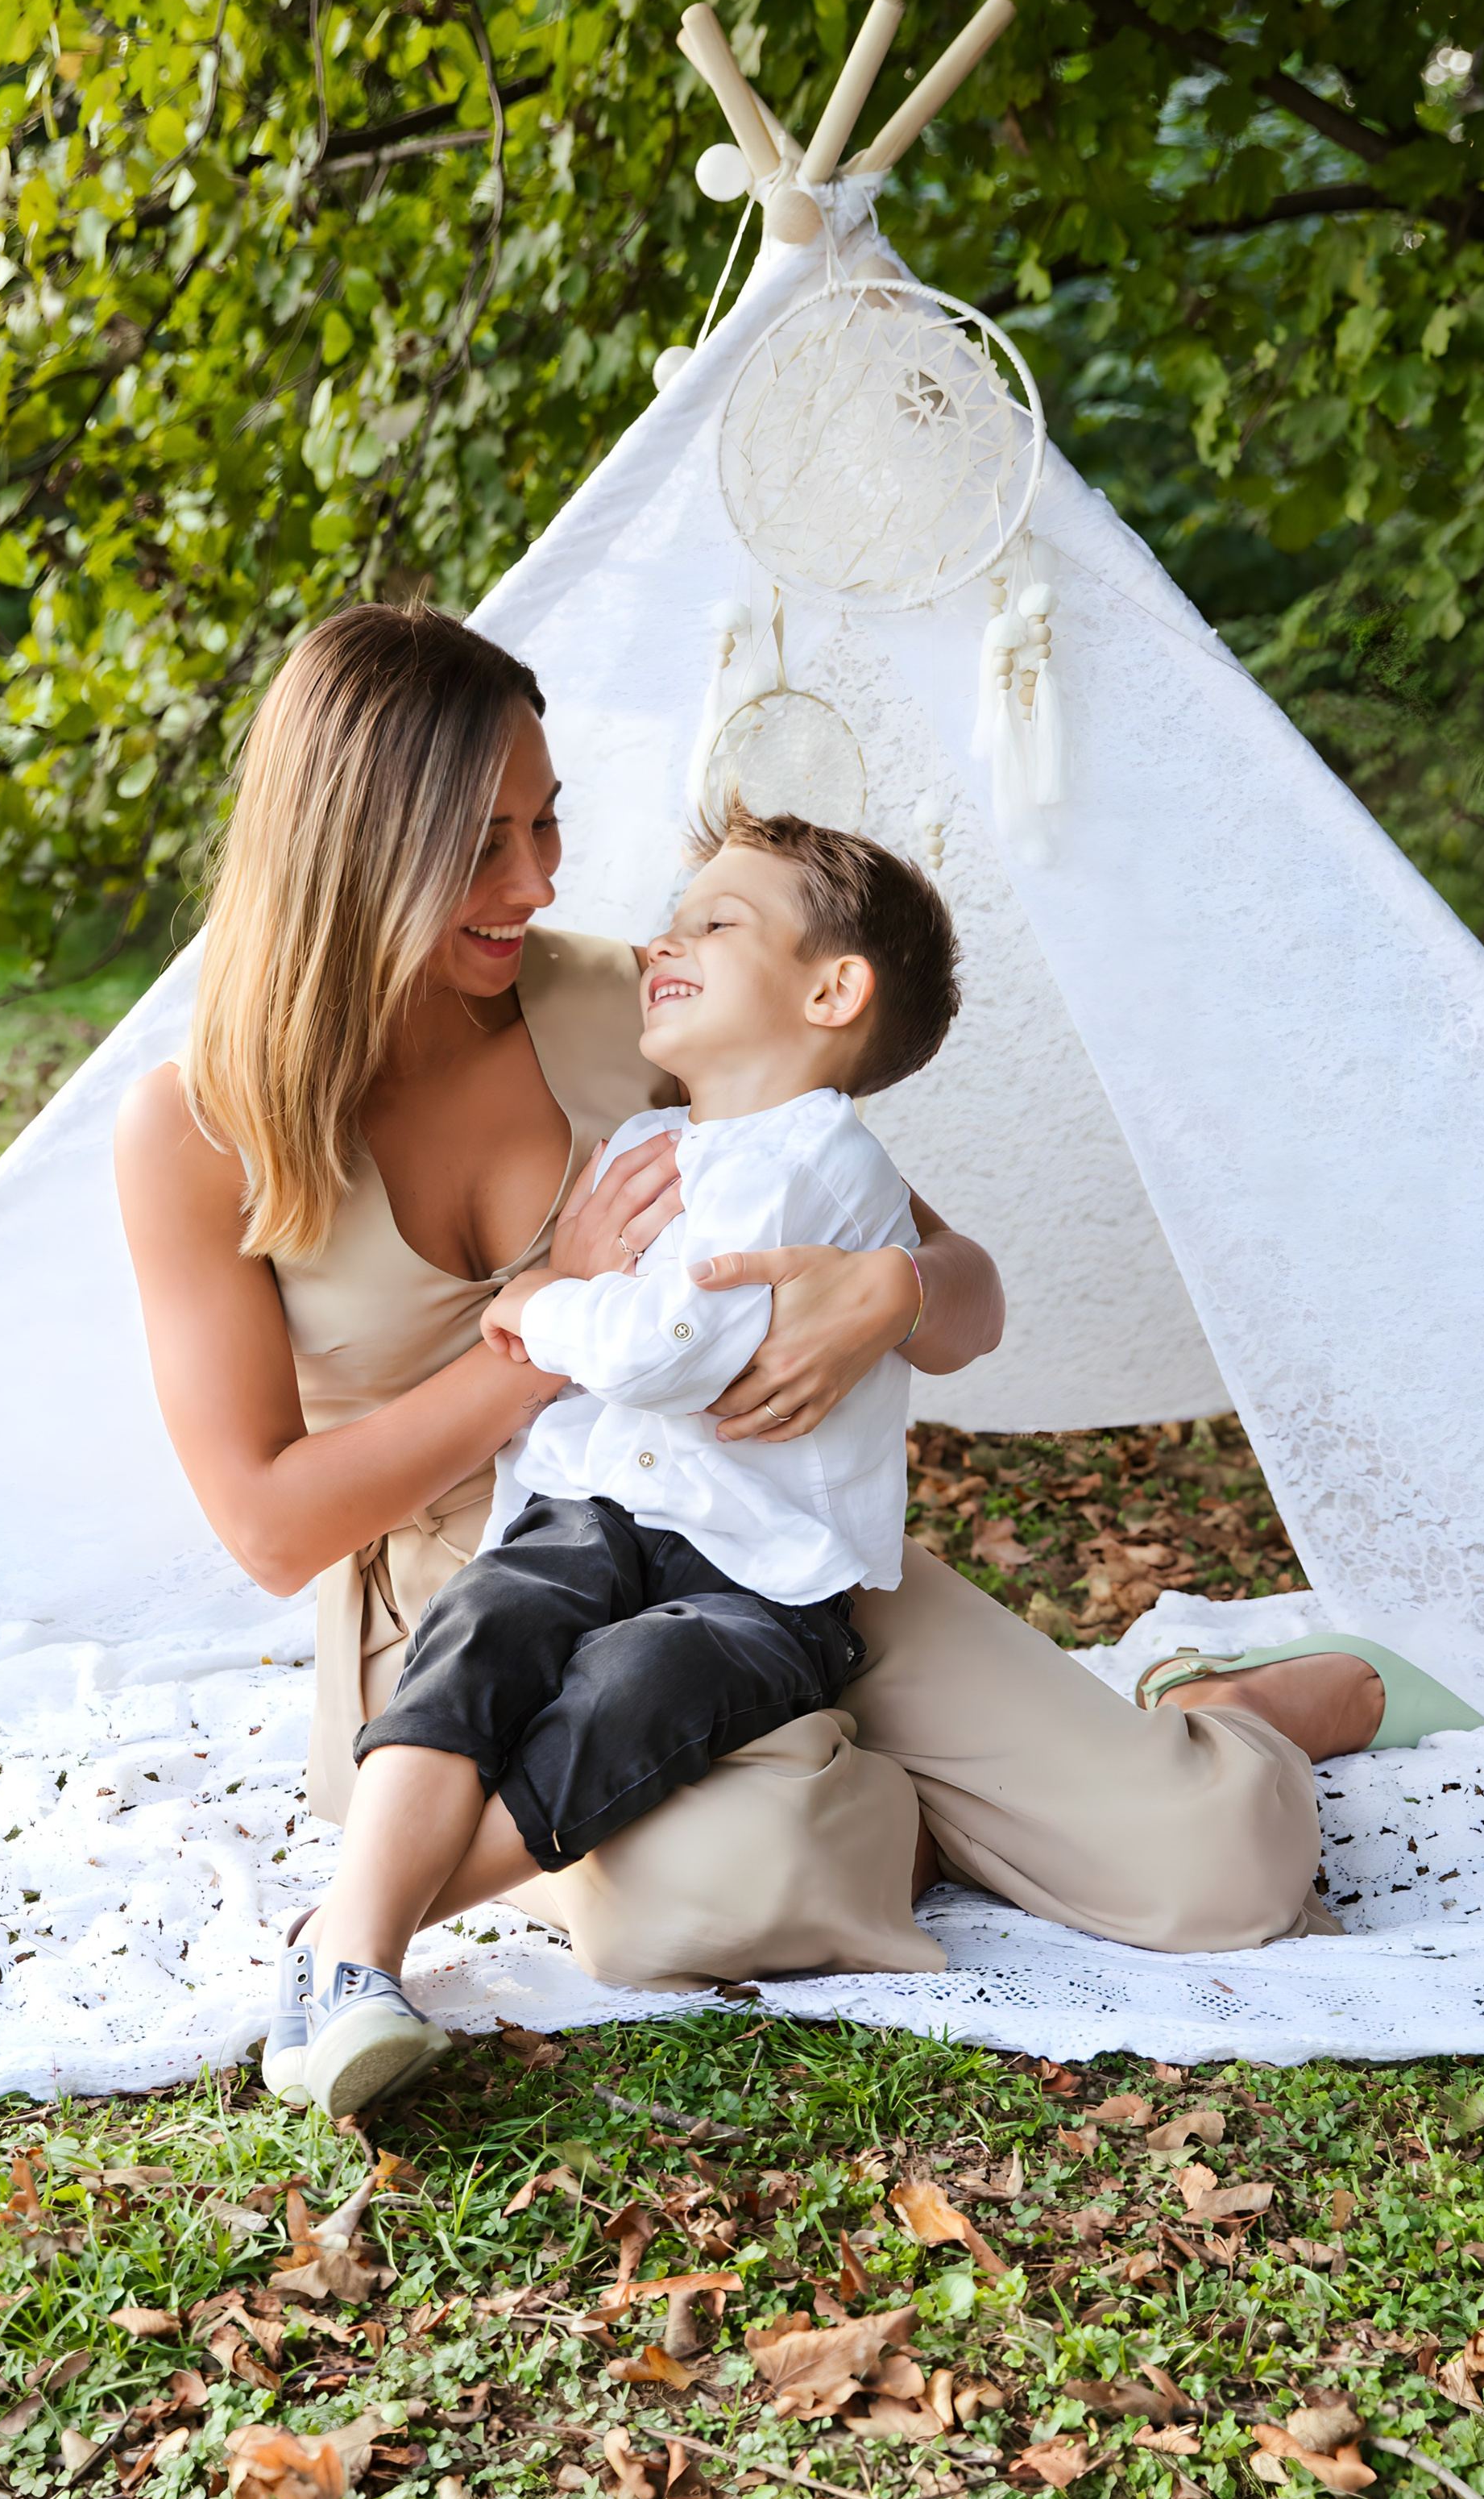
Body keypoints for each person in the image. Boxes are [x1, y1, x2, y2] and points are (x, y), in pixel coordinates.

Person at [114, 601, 1417, 2072]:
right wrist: (540, 1343)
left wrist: (895, 1294)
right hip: (478, 1590)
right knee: (720, 1886)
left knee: (1218, 1868)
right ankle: (873, 1790)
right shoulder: (199, 1126)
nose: (538, 882)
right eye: (485, 843)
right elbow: (272, 1526)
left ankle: (1198, 1712)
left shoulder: (631, 1004)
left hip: (757, 1527)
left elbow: (965, 1278)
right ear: (355, 841)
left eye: (548, 825)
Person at [276, 801, 962, 2117]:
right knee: (485, 1623)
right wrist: (556, 1287)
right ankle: (355, 1963)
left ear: (832, 989)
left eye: (716, 920)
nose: (664, 937)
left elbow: (673, 1347)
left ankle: (360, 1926)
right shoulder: (653, 1145)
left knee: (632, 1682)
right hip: (594, 1514)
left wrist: (537, 1303)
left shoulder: (824, 1162)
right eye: (671, 915)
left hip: (761, 1576)